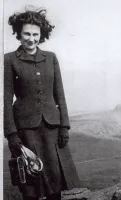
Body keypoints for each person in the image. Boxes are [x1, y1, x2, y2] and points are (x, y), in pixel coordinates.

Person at [4, 7, 80, 200]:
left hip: (52, 129)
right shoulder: (9, 60)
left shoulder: (51, 58)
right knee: (31, 183)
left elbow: (60, 94)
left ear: (42, 34)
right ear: (19, 34)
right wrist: (12, 135)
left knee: (55, 183)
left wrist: (64, 126)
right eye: (27, 34)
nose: (31, 38)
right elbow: (5, 100)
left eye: (35, 34)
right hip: (27, 131)